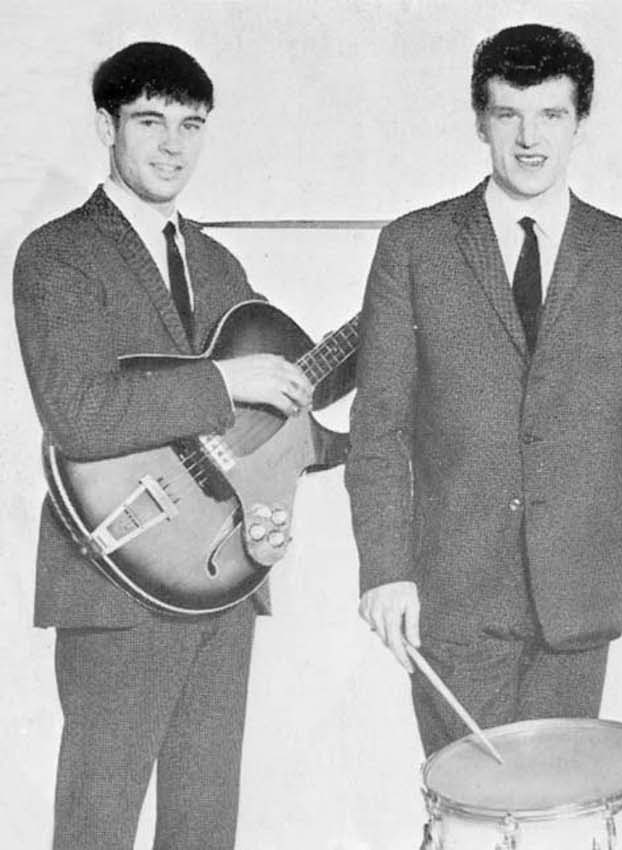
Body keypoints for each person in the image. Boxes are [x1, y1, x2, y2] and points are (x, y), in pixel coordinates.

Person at [347, 23, 622, 756]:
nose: (530, 138)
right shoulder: (414, 247)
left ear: (580, 122)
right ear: (480, 121)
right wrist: (385, 571)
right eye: (508, 115)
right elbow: (380, 426)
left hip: (576, 597)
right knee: (475, 806)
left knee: (561, 806)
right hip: (453, 598)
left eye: (551, 114)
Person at [12, 42, 312, 850]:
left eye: (191, 125)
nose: (173, 145)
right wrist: (226, 380)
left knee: (205, 830)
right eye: (151, 121)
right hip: (115, 578)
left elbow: (266, 423)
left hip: (220, 571)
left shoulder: (217, 261)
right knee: (96, 829)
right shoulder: (59, 253)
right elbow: (79, 413)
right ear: (106, 125)